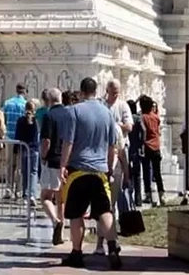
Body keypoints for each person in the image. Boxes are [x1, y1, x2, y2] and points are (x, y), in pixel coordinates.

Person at [59, 77, 123, 270]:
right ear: (97, 91)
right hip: (99, 170)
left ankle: (77, 253)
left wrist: (63, 165)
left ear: (81, 92)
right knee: (104, 210)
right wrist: (109, 166)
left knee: (76, 213)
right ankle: (112, 246)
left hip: (78, 170)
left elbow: (68, 142)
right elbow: (113, 145)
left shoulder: (74, 111)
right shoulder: (107, 113)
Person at [95, 79, 134, 256]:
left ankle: (107, 241)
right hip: (101, 165)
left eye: (118, 90)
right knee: (104, 205)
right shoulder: (102, 107)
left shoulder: (122, 108)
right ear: (107, 90)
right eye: (113, 90)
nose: (116, 93)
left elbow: (121, 151)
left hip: (111, 166)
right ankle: (105, 242)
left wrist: (126, 172)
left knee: (109, 205)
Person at [39, 87, 68, 245]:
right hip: (66, 160)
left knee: (45, 197)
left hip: (52, 160)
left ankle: (56, 221)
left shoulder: (49, 116)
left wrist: (43, 155)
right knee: (61, 198)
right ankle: (61, 233)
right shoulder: (69, 114)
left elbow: (46, 141)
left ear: (48, 101)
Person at [139, 95, 166, 206]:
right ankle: (161, 194)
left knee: (146, 171)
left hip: (147, 146)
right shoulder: (156, 117)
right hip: (156, 146)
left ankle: (148, 194)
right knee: (157, 172)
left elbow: (144, 130)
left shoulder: (143, 117)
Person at [3, 84, 28, 199]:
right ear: (25, 92)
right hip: (21, 139)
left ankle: (8, 189)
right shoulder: (25, 105)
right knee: (19, 166)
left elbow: (5, 119)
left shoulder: (8, 103)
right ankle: (18, 190)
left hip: (9, 136)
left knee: (9, 164)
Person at [16, 100, 41, 205]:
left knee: (24, 172)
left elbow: (17, 135)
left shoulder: (20, 120)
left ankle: (25, 194)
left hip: (23, 148)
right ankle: (32, 194)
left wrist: (15, 149)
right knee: (33, 172)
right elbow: (37, 136)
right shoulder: (36, 121)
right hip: (34, 149)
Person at [126, 100, 144, 207]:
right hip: (136, 150)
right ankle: (138, 199)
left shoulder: (127, 120)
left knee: (128, 175)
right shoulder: (138, 118)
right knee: (137, 176)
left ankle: (129, 198)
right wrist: (142, 143)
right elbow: (144, 130)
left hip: (128, 149)